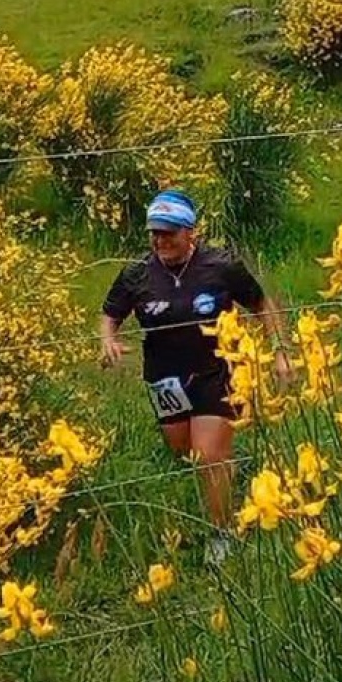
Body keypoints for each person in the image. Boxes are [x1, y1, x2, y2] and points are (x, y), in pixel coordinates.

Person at [100, 189, 290, 564]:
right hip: (164, 379)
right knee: (183, 450)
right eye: (155, 232)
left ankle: (221, 533)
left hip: (216, 371)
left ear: (191, 233)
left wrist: (280, 351)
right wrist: (109, 340)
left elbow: (261, 304)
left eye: (169, 232)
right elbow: (110, 312)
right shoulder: (137, 273)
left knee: (207, 456)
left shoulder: (220, 266)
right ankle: (228, 467)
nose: (161, 240)